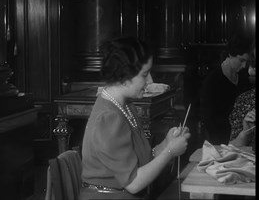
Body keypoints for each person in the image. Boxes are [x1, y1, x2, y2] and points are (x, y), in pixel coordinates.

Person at [79, 36, 191, 200]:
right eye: (144, 74)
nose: (150, 80)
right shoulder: (108, 118)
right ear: (124, 77)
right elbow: (134, 183)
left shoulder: (125, 106)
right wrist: (169, 152)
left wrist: (166, 143)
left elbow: (140, 160)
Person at [200, 30, 253, 145]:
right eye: (241, 60)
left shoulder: (243, 77)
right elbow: (208, 119)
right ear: (231, 54)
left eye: (246, 62)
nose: (244, 66)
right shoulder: (212, 80)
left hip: (243, 137)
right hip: (220, 140)